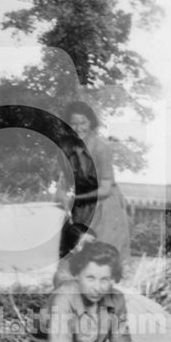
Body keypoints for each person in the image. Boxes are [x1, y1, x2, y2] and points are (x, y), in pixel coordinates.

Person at [62, 101, 130, 260]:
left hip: (104, 205)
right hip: (82, 206)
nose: (78, 128)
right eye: (73, 123)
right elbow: (66, 179)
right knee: (78, 256)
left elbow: (105, 189)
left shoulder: (102, 147)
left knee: (104, 255)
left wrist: (78, 199)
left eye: (83, 123)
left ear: (91, 122)